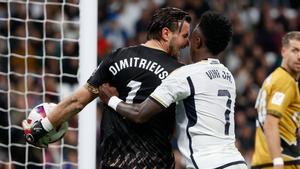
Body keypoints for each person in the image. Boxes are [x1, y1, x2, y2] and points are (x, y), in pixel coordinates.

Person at [22, 7, 191, 169]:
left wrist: (40, 128)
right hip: (155, 163)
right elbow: (177, 127)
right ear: (166, 33)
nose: (187, 42)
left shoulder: (117, 57)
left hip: (114, 162)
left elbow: (76, 102)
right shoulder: (178, 72)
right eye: (185, 36)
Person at [99, 11, 248, 169]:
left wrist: (111, 100)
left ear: (197, 41)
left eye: (191, 37)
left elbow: (139, 114)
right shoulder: (227, 76)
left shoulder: (185, 75)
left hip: (207, 164)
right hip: (236, 161)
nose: (187, 43)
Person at [251, 31, 300, 169]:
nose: (299, 56)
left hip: (265, 160)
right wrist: (278, 162)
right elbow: (270, 124)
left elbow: (287, 126)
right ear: (283, 51)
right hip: (281, 162)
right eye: (295, 50)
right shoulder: (285, 81)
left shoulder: (274, 78)